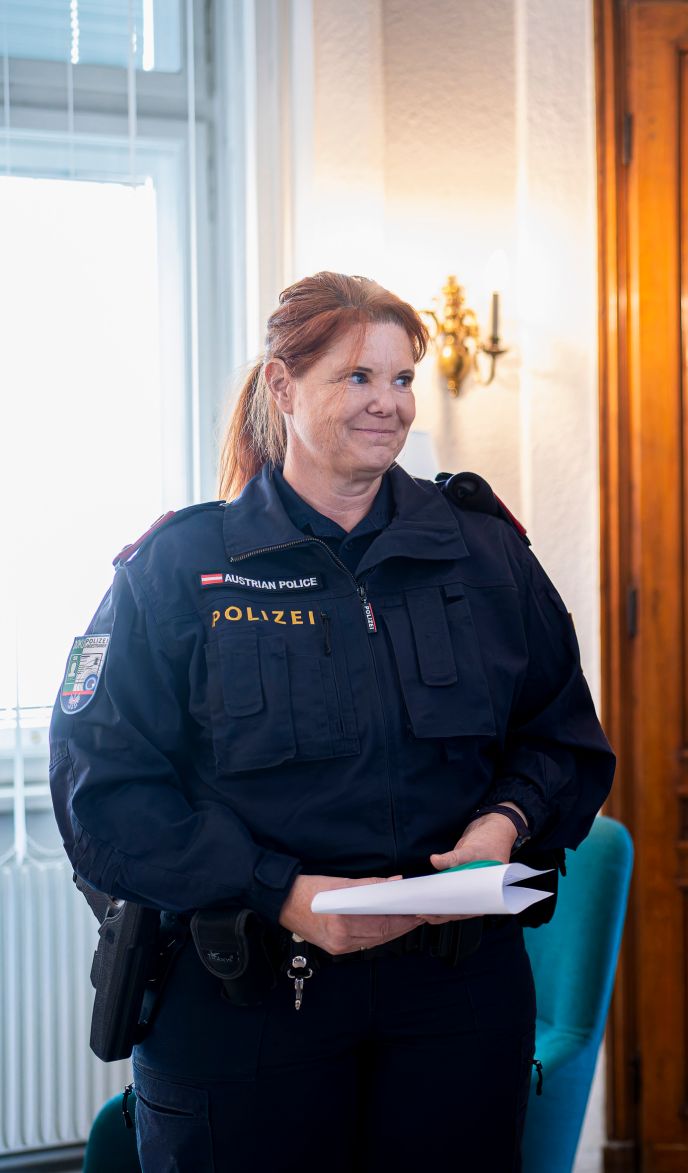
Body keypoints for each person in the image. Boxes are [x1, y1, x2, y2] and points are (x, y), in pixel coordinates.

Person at [49, 272, 616, 1171]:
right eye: (358, 378)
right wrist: (280, 890)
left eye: (400, 379)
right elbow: (102, 800)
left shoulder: (484, 550)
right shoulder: (176, 569)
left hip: (454, 998)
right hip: (246, 1005)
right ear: (282, 386)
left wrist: (502, 822)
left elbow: (563, 734)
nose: (387, 404)